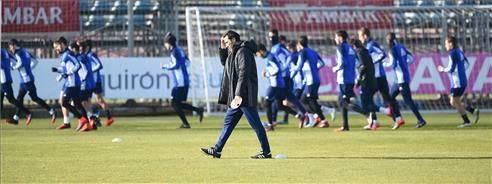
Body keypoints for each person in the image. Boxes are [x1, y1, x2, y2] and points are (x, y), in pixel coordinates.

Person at [201, 30, 271, 159]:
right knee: (228, 123)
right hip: (237, 96)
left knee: (256, 125)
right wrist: (222, 48)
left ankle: (266, 152)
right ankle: (217, 150)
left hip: (244, 95)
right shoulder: (235, 51)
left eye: (227, 42)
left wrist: (238, 94)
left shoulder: (243, 52)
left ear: (233, 39)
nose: (226, 44)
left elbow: (243, 73)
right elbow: (225, 63)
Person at [358, 27, 404, 127]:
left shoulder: (371, 44)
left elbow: (382, 54)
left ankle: (374, 122)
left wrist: (371, 62)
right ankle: (397, 118)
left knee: (368, 99)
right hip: (379, 76)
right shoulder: (369, 45)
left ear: (365, 36)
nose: (360, 39)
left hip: (376, 77)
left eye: (360, 36)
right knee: (387, 99)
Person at [256, 43, 305, 131]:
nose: (258, 56)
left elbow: (276, 69)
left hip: (275, 84)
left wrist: (266, 74)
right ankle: (299, 115)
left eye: (258, 54)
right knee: (279, 105)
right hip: (280, 84)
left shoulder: (269, 57)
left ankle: (270, 125)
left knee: (267, 102)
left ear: (261, 51)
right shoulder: (271, 56)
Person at [160, 32, 204, 128]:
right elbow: (188, 62)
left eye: (165, 43)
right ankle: (197, 111)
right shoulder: (180, 50)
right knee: (178, 103)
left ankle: (186, 123)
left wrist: (165, 66)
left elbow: (176, 65)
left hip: (180, 82)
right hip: (184, 80)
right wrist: (182, 69)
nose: (165, 45)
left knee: (174, 103)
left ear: (168, 43)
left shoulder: (174, 52)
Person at [8, 39, 56, 124]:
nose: (11, 49)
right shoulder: (24, 51)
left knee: (34, 98)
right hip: (25, 80)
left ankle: (51, 111)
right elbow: (35, 61)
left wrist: (13, 68)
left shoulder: (18, 53)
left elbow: (20, 63)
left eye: (11, 47)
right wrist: (29, 69)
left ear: (14, 45)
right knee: (20, 98)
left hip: (27, 80)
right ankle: (16, 118)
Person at [384, 33, 426, 129]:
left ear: (389, 41)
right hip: (400, 78)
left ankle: (420, 120)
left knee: (407, 100)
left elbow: (393, 64)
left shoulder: (392, 50)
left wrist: (384, 63)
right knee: (390, 98)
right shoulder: (401, 47)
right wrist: (404, 64)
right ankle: (398, 119)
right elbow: (411, 58)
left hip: (400, 79)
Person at [437, 36, 480, 128]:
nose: (445, 45)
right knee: (454, 101)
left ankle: (467, 121)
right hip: (462, 80)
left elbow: (451, 69)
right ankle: (472, 111)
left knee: (454, 101)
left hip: (457, 82)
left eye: (446, 43)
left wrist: (442, 69)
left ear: (451, 44)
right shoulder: (459, 51)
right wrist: (460, 71)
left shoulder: (452, 53)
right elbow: (467, 64)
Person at [52, 37, 92, 131]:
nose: (55, 49)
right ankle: (88, 124)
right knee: (77, 104)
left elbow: (77, 65)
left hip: (72, 83)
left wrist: (68, 73)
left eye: (56, 46)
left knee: (64, 102)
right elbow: (66, 69)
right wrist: (58, 71)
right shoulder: (64, 55)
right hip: (71, 82)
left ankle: (82, 119)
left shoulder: (68, 54)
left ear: (62, 44)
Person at [292, 36, 329, 128]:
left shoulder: (302, 52)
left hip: (311, 80)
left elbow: (299, 66)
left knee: (309, 100)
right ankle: (317, 117)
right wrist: (314, 69)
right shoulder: (313, 51)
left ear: (299, 45)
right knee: (305, 99)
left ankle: (322, 119)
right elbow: (322, 63)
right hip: (315, 79)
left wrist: (291, 74)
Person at [332, 31, 365, 132]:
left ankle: (367, 114)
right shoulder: (351, 48)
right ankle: (345, 126)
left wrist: (335, 68)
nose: (335, 39)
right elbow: (357, 63)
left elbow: (342, 63)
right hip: (350, 78)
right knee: (344, 101)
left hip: (344, 78)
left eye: (336, 37)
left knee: (342, 102)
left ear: (340, 37)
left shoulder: (340, 47)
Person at [350, 39, 380, 130]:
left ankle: (384, 110)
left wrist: (359, 79)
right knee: (370, 102)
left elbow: (363, 66)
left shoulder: (360, 53)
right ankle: (373, 123)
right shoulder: (366, 52)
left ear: (354, 46)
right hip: (372, 80)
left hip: (366, 82)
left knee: (364, 104)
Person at [86, 39, 114, 126]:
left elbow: (99, 65)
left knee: (88, 100)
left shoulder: (91, 55)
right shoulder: (86, 55)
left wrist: (90, 71)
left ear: (87, 46)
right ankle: (106, 117)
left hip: (93, 81)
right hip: (93, 80)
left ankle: (94, 119)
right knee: (97, 100)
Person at [1, 48, 32, 125]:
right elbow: (14, 61)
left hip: (4, 81)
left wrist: (11, 66)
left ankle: (28, 113)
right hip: (5, 80)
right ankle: (27, 113)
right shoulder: (4, 51)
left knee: (11, 99)